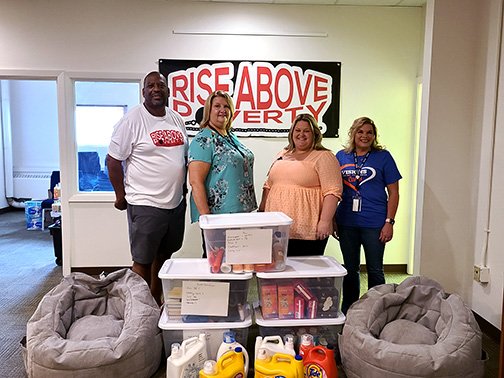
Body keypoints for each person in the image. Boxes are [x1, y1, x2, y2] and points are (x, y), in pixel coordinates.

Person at [106, 71, 188, 306]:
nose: (156, 89)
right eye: (150, 86)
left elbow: (181, 158)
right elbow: (112, 160)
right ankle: (138, 310)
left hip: (174, 203)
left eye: (160, 85)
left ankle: (156, 301)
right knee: (142, 260)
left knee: (164, 255)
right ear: (143, 92)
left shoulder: (176, 119)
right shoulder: (132, 120)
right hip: (145, 202)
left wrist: (181, 191)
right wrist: (120, 196)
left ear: (168, 91)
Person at [335, 116, 401, 314]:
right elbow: (333, 189)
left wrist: (389, 222)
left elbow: (394, 192)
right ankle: (350, 310)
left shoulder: (383, 157)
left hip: (375, 222)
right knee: (350, 268)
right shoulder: (341, 156)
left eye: (369, 132)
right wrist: (332, 220)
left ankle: (376, 310)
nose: (365, 136)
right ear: (353, 134)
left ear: (374, 135)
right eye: (360, 132)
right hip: (347, 221)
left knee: (374, 269)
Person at [259, 113, 342, 256]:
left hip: (308, 230)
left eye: (306, 131)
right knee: (279, 270)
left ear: (315, 134)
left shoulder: (324, 156)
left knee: (304, 274)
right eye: (297, 130)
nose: (301, 134)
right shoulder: (282, 154)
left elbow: (333, 192)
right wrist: (261, 214)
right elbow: (269, 186)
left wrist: (324, 222)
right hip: (278, 229)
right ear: (292, 133)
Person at [188, 90, 257, 253]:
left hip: (241, 214)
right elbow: (195, 182)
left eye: (226, 106)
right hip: (219, 216)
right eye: (217, 106)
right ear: (208, 110)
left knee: (240, 263)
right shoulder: (204, 139)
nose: (222, 110)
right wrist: (208, 221)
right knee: (218, 264)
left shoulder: (230, 136)